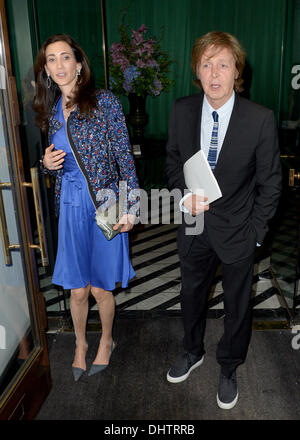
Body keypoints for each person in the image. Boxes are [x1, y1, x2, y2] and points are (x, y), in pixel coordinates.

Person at [165, 31, 281, 409]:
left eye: (223, 65)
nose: (214, 74)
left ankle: (229, 365)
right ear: (197, 72)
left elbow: (271, 184)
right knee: (191, 296)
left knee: (237, 306)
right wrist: (184, 195)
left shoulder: (260, 119)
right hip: (194, 226)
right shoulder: (182, 109)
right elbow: (172, 163)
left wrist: (256, 235)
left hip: (239, 231)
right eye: (206, 64)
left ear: (236, 72)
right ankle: (192, 350)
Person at [33, 34, 139, 381]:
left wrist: (131, 206)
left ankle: (106, 340)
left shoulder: (104, 102)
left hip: (105, 202)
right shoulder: (50, 110)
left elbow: (125, 157)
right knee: (76, 288)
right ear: (46, 69)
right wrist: (46, 164)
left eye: (66, 57)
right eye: (52, 59)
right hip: (70, 205)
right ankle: (80, 344)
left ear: (79, 64)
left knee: (99, 287)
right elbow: (56, 162)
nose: (59, 65)